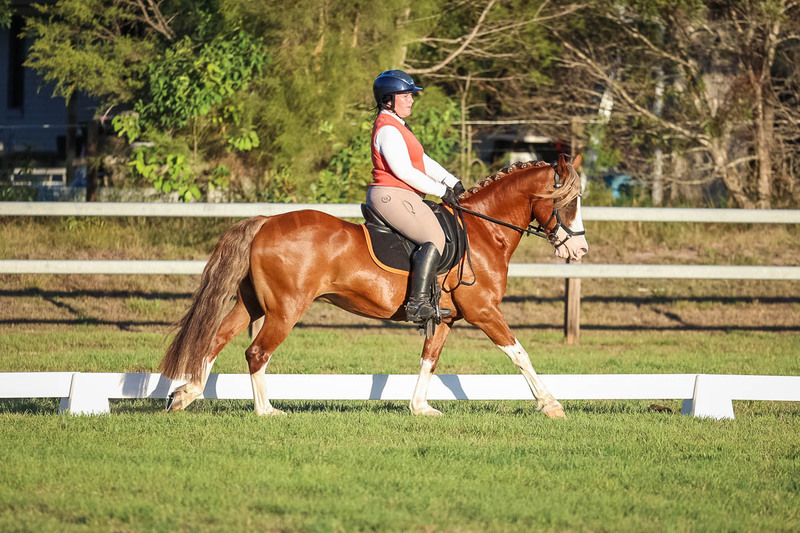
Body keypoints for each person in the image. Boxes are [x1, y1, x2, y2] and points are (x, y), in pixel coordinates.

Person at [367, 69, 466, 324]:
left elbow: (422, 160)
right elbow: (403, 171)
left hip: (402, 194)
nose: (411, 100)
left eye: (412, 95)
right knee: (434, 237)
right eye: (406, 95)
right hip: (391, 194)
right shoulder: (388, 128)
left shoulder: (399, 126)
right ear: (389, 99)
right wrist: (441, 190)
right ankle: (418, 303)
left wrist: (452, 181)